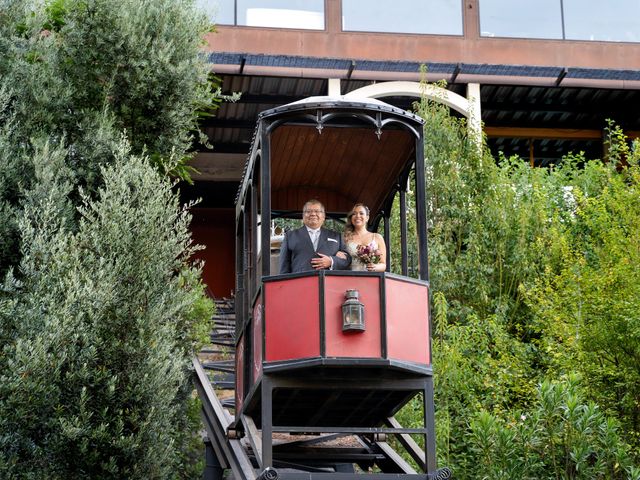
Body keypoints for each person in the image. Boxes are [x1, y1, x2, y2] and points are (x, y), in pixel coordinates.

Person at [279, 199, 351, 274]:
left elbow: (347, 261)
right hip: (300, 283)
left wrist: (331, 261)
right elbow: (284, 267)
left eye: (317, 211)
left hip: (328, 283)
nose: (313, 214)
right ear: (303, 216)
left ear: (323, 216)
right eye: (308, 211)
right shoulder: (290, 236)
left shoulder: (337, 236)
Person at [343, 203, 387, 272]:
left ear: (367, 218)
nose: (357, 216)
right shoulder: (345, 238)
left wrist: (375, 267)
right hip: (351, 278)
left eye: (361, 213)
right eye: (354, 214)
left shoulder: (377, 237)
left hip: (371, 279)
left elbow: (383, 265)